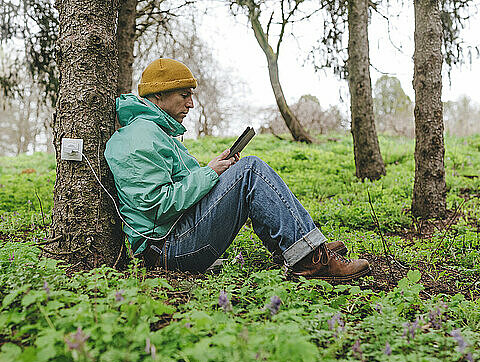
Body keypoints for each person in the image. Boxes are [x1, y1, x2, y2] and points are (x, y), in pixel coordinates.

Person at [104, 58, 370, 282]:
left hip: (173, 239)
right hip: (166, 249)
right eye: (184, 95)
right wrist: (209, 174)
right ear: (159, 95)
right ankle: (311, 259)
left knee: (244, 171)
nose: (191, 104)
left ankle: (299, 248)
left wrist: (216, 170)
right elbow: (157, 205)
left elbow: (177, 188)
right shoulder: (140, 136)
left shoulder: (153, 132)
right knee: (250, 170)